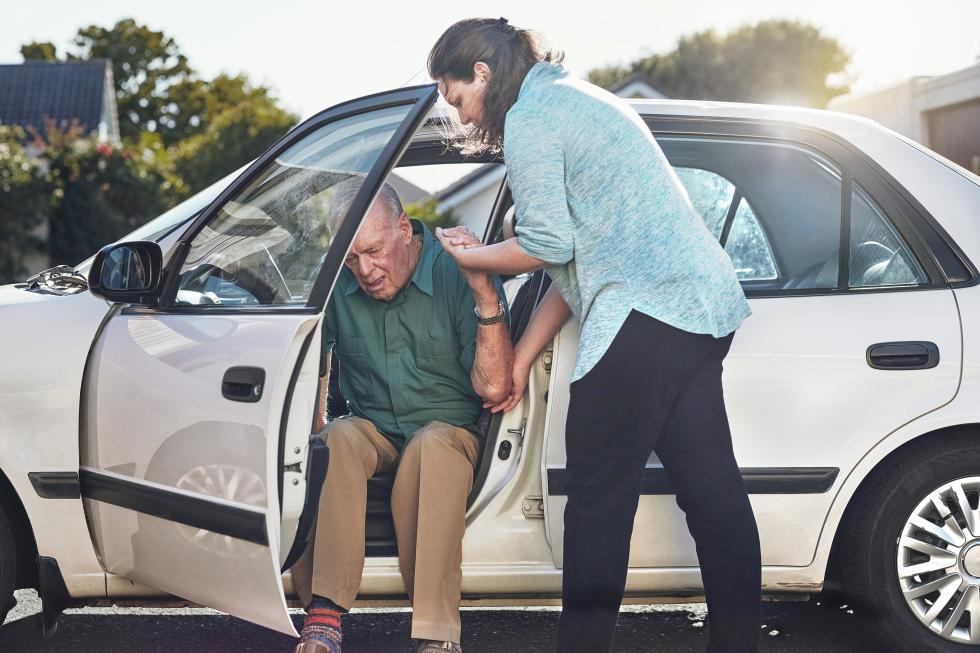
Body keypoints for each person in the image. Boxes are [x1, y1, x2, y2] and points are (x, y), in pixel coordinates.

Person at [427, 18, 762, 653]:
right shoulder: (577, 97)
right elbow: (571, 261)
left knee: (596, 505)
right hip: (697, 308)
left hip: (646, 312)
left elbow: (547, 245)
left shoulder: (531, 116)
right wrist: (523, 357)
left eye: (458, 99)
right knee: (712, 491)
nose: (462, 117)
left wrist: (468, 258)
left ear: (482, 74)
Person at [290, 182, 513, 653]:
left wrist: (486, 298)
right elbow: (314, 364)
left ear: (405, 229)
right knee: (339, 437)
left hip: (449, 432)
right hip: (376, 428)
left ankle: (436, 634)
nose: (365, 271)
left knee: (431, 446)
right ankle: (325, 610)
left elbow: (494, 387)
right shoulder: (340, 284)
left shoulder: (457, 272)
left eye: (373, 251)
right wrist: (311, 433)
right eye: (351, 259)